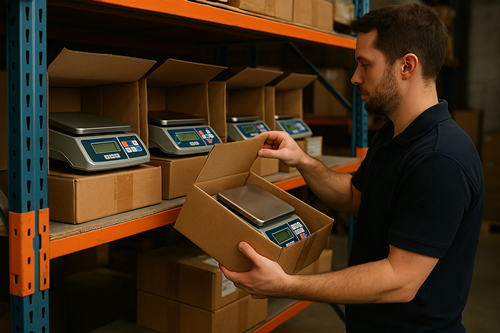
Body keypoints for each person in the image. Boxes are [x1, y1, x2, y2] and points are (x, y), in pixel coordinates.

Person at [220, 3, 485, 332]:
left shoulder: (439, 160)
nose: (355, 77)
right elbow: (357, 198)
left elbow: (399, 281)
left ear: (407, 66)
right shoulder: (393, 132)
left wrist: (286, 285)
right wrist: (302, 160)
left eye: (365, 64)